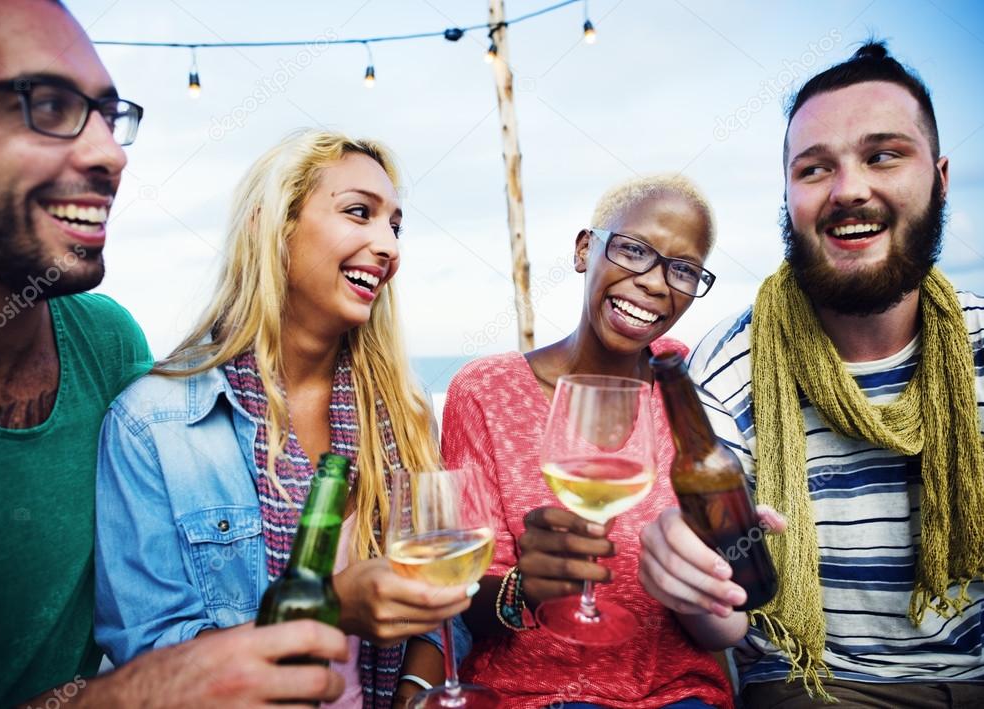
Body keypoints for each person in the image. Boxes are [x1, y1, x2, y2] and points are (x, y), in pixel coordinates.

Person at [0, 1, 350, 707]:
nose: (111, 152)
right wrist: (126, 695)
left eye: (110, 116)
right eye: (46, 103)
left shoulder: (106, 342)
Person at [639, 42, 984, 708]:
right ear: (788, 197)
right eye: (814, 168)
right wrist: (689, 577)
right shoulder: (724, 370)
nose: (848, 188)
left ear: (940, 177)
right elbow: (726, 618)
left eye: (883, 155)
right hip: (814, 684)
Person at [93, 128, 473, 709]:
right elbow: (154, 661)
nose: (389, 246)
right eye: (358, 213)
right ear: (271, 225)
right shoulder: (153, 423)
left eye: (394, 226)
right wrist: (331, 608)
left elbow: (440, 609)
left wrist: (416, 692)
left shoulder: (405, 413)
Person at [422, 175, 738, 708]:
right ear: (584, 249)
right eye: (634, 250)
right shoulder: (485, 391)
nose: (656, 283)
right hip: (533, 694)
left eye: (682, 269)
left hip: (680, 693)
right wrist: (525, 586)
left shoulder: (682, 384)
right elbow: (461, 594)